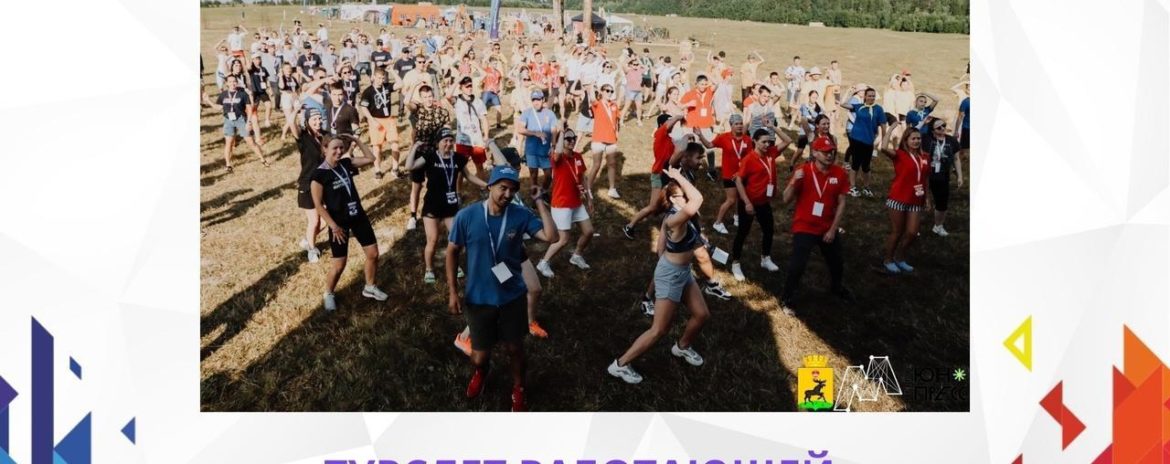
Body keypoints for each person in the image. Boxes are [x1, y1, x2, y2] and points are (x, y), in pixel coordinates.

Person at [447, 165, 557, 412]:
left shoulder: (520, 215)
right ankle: (481, 372)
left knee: (514, 348)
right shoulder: (467, 216)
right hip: (479, 298)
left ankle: (519, 388)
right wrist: (453, 291)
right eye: (502, 188)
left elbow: (551, 237)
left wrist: (540, 202)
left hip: (512, 297)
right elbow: (452, 252)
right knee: (479, 357)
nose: (507, 194)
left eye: (512, 189)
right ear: (489, 187)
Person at [607, 166, 711, 384]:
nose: (687, 198)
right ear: (672, 199)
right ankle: (620, 365)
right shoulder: (674, 220)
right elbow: (698, 199)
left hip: (681, 271)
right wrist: (678, 176)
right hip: (672, 274)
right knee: (659, 329)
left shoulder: (677, 218)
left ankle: (682, 346)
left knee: (701, 314)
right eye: (682, 196)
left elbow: (660, 247)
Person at [310, 134, 390, 311]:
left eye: (341, 147)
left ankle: (370, 287)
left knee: (373, 254)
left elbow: (371, 158)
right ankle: (328, 293)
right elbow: (318, 205)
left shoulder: (346, 163)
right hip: (339, 224)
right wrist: (333, 226)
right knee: (339, 264)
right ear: (325, 149)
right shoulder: (319, 175)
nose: (339, 151)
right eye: (335, 148)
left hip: (358, 216)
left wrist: (357, 140)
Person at [779, 135, 854, 315]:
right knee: (798, 264)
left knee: (837, 261)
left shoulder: (839, 173)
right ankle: (787, 298)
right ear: (815, 153)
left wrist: (833, 229)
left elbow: (842, 203)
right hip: (805, 226)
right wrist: (794, 181)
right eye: (825, 152)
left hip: (827, 226)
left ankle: (836, 287)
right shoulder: (803, 171)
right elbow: (785, 199)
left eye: (832, 152)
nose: (830, 155)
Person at [407, 128, 487, 284]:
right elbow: (410, 166)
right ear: (438, 143)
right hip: (432, 206)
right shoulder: (430, 157)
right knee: (433, 240)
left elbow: (469, 176)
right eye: (445, 141)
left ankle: (454, 264)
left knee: (456, 239)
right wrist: (415, 147)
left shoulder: (457, 158)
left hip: (450, 206)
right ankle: (429, 269)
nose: (448, 144)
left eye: (451, 140)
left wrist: (486, 185)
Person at [730, 128, 792, 282]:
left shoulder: (771, 153)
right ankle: (735, 263)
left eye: (769, 142)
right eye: (763, 142)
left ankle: (765, 258)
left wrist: (773, 128)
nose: (767, 145)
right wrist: (747, 203)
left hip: (763, 202)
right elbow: (738, 180)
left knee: (768, 230)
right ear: (755, 141)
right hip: (750, 203)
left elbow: (788, 141)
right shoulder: (749, 159)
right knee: (743, 232)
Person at [536, 129, 594, 277]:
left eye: (573, 138)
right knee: (563, 240)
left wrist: (589, 198)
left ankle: (577, 256)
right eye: (568, 139)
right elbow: (557, 153)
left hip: (576, 203)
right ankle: (543, 262)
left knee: (588, 231)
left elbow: (583, 178)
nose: (572, 141)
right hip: (561, 204)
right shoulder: (557, 157)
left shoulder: (578, 156)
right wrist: (561, 133)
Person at [622, 113, 685, 240]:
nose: (672, 124)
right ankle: (629, 226)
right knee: (653, 206)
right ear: (662, 124)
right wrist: (678, 117)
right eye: (669, 122)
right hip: (658, 175)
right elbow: (668, 124)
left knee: (668, 203)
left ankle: (671, 227)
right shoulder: (660, 133)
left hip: (667, 175)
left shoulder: (669, 139)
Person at [879, 130, 930, 274]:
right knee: (897, 232)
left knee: (912, 232)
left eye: (918, 138)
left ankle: (899, 257)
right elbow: (883, 148)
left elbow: (926, 178)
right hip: (898, 198)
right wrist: (890, 128)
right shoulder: (900, 155)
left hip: (916, 199)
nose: (916, 141)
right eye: (913, 138)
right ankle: (888, 260)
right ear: (906, 140)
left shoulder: (925, 156)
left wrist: (927, 198)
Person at [405, 85, 452, 231]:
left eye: (430, 96)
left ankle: (440, 212)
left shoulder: (441, 112)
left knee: (438, 184)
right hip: (420, 152)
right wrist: (415, 85)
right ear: (421, 98)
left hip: (436, 154)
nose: (428, 99)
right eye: (425, 97)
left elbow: (448, 130)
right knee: (417, 185)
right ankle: (413, 216)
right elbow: (406, 101)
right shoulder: (418, 110)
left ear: (433, 96)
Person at [696, 113, 751, 234]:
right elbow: (709, 145)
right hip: (729, 175)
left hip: (741, 174)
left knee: (740, 197)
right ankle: (718, 223)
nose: (739, 126)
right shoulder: (724, 137)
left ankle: (737, 217)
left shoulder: (747, 139)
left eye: (741, 123)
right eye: (736, 124)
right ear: (731, 125)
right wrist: (700, 135)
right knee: (731, 200)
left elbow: (749, 157)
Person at [840, 85, 887, 197]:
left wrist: (884, 138)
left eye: (873, 96)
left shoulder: (878, 109)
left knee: (866, 166)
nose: (871, 98)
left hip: (869, 140)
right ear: (865, 96)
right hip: (856, 139)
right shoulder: (859, 106)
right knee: (855, 164)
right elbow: (842, 104)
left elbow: (883, 124)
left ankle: (866, 187)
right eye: (869, 96)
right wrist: (849, 92)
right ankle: (852, 187)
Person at [217, 74, 269, 172]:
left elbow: (249, 109)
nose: (232, 83)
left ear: (237, 82)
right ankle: (228, 165)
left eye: (234, 81)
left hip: (241, 120)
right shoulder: (223, 94)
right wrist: (208, 101)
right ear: (226, 83)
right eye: (230, 82)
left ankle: (263, 159)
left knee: (251, 142)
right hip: (228, 120)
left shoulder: (242, 94)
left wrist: (248, 122)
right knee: (229, 143)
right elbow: (218, 107)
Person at [922, 119, 963, 236]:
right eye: (939, 127)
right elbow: (912, 132)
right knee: (918, 200)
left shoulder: (951, 140)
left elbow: (956, 159)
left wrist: (959, 176)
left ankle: (938, 226)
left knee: (942, 203)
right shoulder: (926, 139)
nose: (942, 128)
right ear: (932, 130)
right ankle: (913, 225)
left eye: (944, 126)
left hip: (943, 176)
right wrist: (924, 122)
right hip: (926, 175)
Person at [358, 68, 399, 180]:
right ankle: (378, 170)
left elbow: (400, 84)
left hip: (389, 119)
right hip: (375, 120)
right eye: (379, 78)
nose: (381, 80)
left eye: (382, 78)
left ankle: (395, 168)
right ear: (374, 77)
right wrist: (372, 120)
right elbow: (364, 108)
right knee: (377, 147)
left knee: (395, 144)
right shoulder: (368, 91)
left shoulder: (387, 87)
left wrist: (393, 71)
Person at [518, 90, 559, 196]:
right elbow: (520, 129)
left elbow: (554, 130)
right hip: (531, 151)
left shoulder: (550, 114)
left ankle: (543, 191)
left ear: (543, 100)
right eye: (534, 100)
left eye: (538, 100)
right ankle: (535, 197)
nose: (536, 102)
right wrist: (535, 133)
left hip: (546, 151)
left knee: (549, 175)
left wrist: (553, 146)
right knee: (533, 175)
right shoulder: (527, 113)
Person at [586, 83, 623, 199]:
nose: (609, 93)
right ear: (601, 92)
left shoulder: (614, 105)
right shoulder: (597, 104)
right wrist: (592, 85)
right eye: (607, 90)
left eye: (611, 91)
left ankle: (612, 189)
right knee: (596, 165)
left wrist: (617, 132)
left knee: (612, 164)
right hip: (599, 138)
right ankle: (588, 188)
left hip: (611, 139)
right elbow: (592, 98)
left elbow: (617, 121)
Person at [451, 76, 490, 177]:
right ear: (461, 87)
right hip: (462, 140)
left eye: (470, 86)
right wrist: (457, 80)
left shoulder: (478, 101)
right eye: (466, 86)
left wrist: (486, 136)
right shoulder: (457, 100)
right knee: (460, 168)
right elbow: (448, 95)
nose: (469, 88)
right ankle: (458, 188)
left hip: (477, 139)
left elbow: (484, 120)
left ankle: (480, 185)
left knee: (480, 166)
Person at [680, 75, 718, 181]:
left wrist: (707, 75)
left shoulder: (709, 91)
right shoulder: (690, 94)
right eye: (701, 84)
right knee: (694, 149)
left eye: (705, 84)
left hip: (706, 125)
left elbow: (717, 83)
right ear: (696, 84)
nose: (703, 86)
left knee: (710, 148)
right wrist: (688, 104)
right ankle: (690, 171)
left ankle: (711, 170)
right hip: (693, 125)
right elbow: (680, 105)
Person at [955, 95, 970, 161]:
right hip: (967, 129)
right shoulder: (966, 102)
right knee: (965, 152)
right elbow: (960, 117)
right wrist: (956, 131)